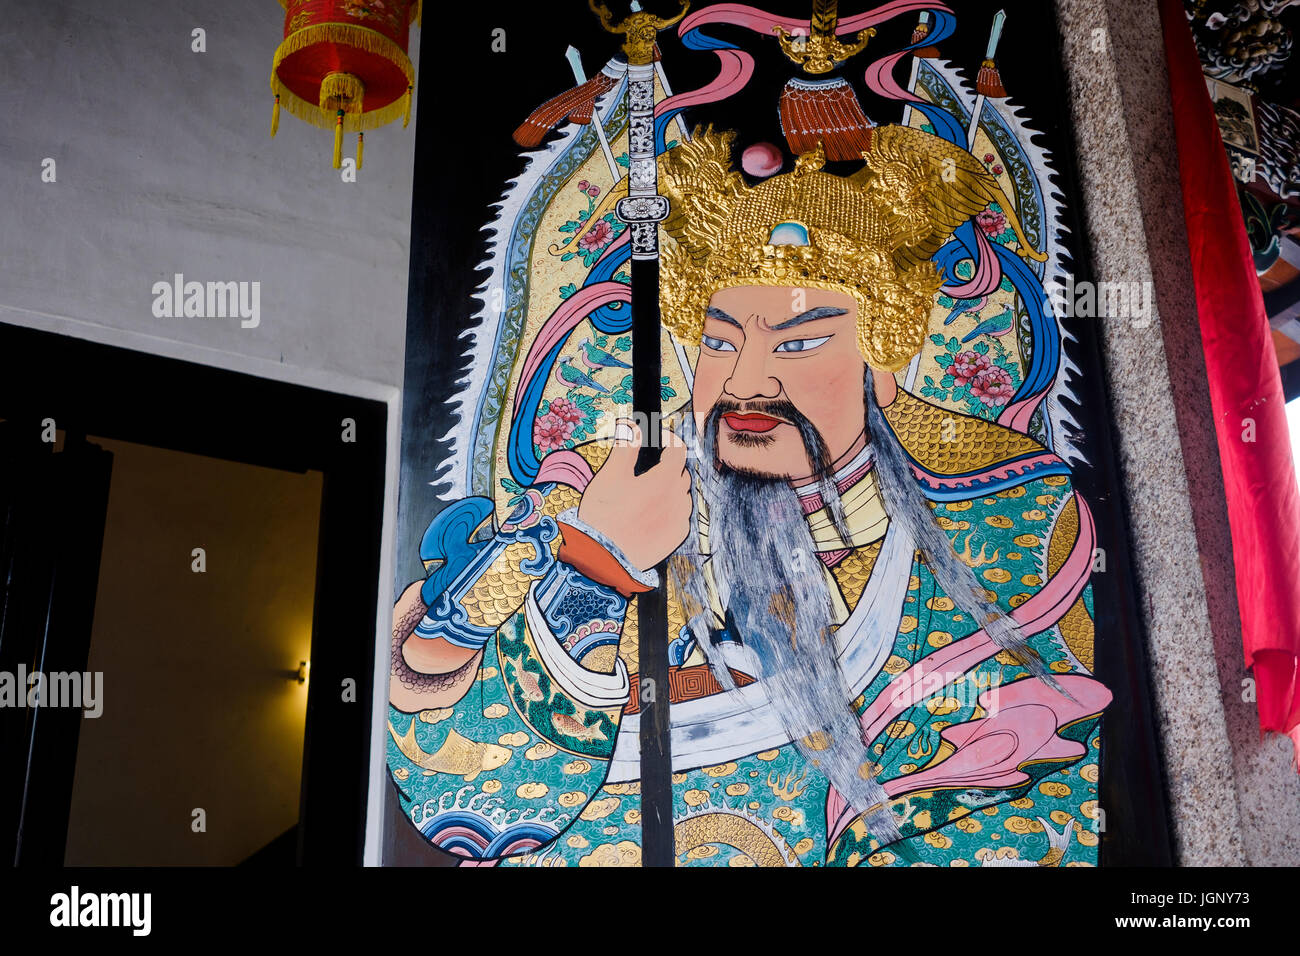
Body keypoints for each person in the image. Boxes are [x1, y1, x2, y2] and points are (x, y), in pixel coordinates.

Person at [388, 128, 1108, 867]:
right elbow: (455, 791)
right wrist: (591, 571)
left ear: (883, 366)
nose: (745, 383)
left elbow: (1046, 800)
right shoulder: (607, 496)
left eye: (796, 345)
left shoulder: (1002, 513)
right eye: (723, 343)